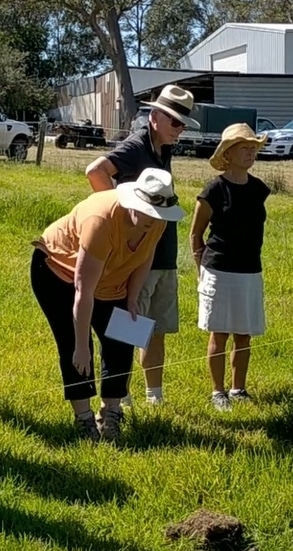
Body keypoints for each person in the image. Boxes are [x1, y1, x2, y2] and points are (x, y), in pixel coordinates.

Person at [30, 168, 185, 441]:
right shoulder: (101, 220)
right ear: (134, 202)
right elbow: (83, 290)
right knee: (75, 348)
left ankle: (110, 413)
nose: (152, 220)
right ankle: (84, 419)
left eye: (157, 216)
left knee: (122, 339)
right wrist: (81, 345)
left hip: (110, 279)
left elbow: (145, 257)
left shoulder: (157, 220)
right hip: (59, 271)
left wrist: (133, 296)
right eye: (147, 213)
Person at [85, 84, 199, 405]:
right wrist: (120, 219)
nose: (180, 130)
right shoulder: (136, 146)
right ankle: (120, 396)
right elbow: (95, 171)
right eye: (175, 123)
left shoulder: (164, 148)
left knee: (156, 328)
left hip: (163, 256)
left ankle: (154, 397)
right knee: (128, 328)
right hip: (137, 258)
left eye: (183, 125)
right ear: (155, 117)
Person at [189, 123, 270, 411]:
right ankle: (217, 392)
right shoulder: (213, 190)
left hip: (250, 270)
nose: (251, 152)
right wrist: (202, 270)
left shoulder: (260, 189)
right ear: (228, 153)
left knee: (244, 334)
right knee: (219, 333)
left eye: (253, 147)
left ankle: (238, 389)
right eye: (244, 147)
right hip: (219, 269)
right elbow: (195, 234)